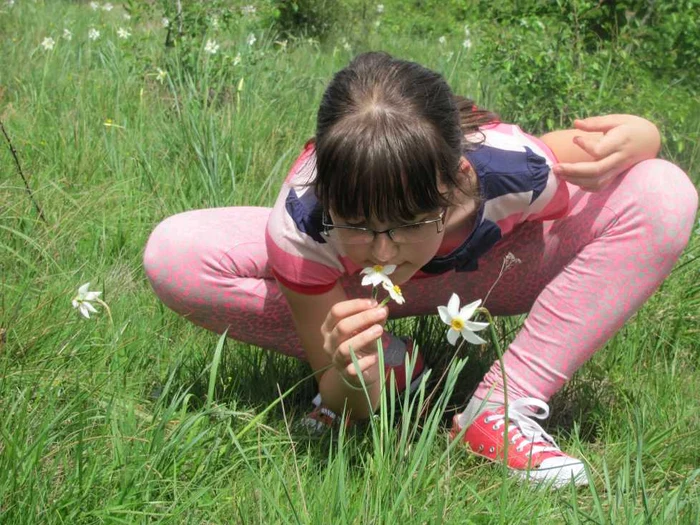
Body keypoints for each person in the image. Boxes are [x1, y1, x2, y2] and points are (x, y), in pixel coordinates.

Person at [143, 52, 698, 488]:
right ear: (328, 194)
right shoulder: (305, 225)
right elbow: (341, 395)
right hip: (352, 294)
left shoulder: (512, 168)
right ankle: (394, 362)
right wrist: (354, 373)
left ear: (455, 177)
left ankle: (497, 409)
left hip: (495, 275)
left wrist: (647, 134)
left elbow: (613, 160)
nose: (384, 251)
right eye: (357, 223)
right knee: (176, 253)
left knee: (664, 191)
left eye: (409, 221)